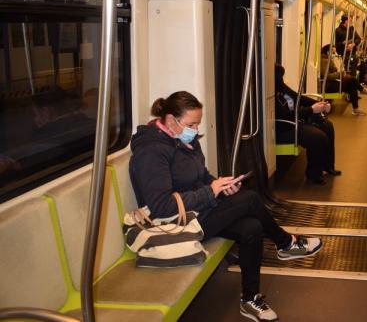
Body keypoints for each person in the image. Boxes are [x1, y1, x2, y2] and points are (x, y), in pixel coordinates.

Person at [129, 91, 323, 321]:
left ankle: (250, 299)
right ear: (171, 121)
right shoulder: (151, 151)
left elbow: (202, 176)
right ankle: (286, 243)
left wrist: (220, 185)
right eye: (191, 124)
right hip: (175, 225)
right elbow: (162, 207)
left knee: (252, 227)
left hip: (199, 212)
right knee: (250, 199)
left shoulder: (185, 140)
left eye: (197, 123)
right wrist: (211, 191)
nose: (195, 129)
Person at [274, 65, 341, 184]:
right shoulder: (269, 93)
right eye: (280, 76)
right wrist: (311, 110)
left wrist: (321, 104)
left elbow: (299, 98)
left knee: (327, 126)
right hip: (283, 127)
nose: (282, 79)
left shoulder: (281, 87)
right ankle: (313, 174)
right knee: (318, 137)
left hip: (294, 122)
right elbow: (283, 115)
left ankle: (328, 166)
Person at [320, 44, 367, 116]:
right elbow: (327, 76)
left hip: (333, 82)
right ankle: (362, 90)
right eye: (333, 52)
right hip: (328, 86)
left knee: (352, 86)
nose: (335, 54)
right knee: (352, 80)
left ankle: (356, 108)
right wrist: (339, 74)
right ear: (327, 52)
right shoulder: (324, 61)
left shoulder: (329, 60)